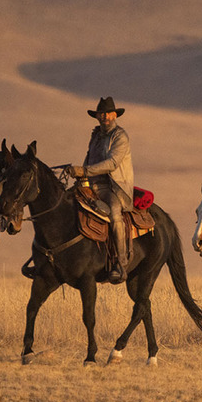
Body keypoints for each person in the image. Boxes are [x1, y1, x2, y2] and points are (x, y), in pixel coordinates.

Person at [67, 97, 134, 284]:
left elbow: (113, 163)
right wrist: (79, 174)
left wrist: (85, 171)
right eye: (101, 114)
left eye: (107, 113)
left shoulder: (120, 136)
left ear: (114, 115)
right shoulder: (96, 135)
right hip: (91, 184)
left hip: (113, 188)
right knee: (65, 203)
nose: (104, 117)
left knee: (114, 213)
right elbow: (89, 158)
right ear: (96, 116)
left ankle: (121, 263)